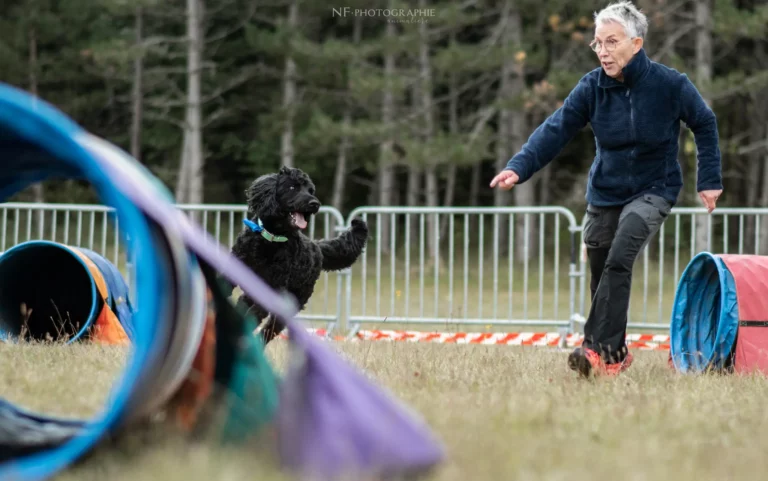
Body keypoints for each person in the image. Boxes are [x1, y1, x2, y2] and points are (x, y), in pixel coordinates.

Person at [489, 0, 723, 377]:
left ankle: (593, 350)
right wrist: (519, 167)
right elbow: (556, 128)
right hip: (605, 191)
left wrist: (709, 179)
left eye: (611, 42)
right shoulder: (591, 87)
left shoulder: (670, 85)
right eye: (597, 43)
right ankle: (615, 356)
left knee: (619, 258)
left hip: (655, 187)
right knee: (601, 272)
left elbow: (705, 123)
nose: (603, 51)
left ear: (637, 43)